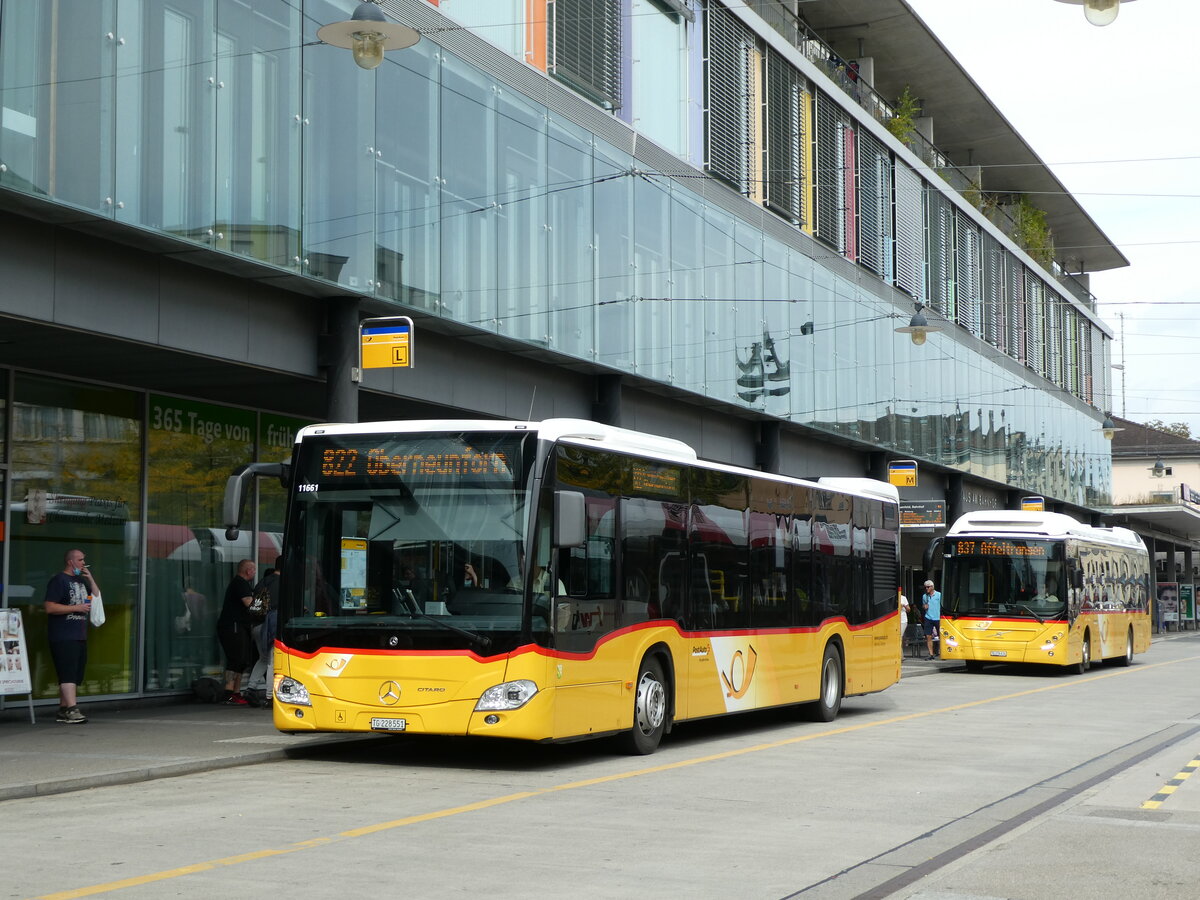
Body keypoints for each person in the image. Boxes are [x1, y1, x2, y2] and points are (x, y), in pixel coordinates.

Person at [43, 549, 99, 724]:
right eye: (80, 560)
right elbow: (50, 607)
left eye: (84, 560)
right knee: (67, 674)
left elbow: (96, 596)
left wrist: (90, 578)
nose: (83, 563)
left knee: (74, 674)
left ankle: (63, 709)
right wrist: (76, 608)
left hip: (79, 634)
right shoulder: (59, 580)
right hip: (63, 634)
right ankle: (73, 710)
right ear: (70, 562)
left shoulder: (81, 580)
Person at [217, 558, 257, 705]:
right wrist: (262, 604)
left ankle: (236, 692)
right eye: (254, 569)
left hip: (239, 626)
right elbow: (249, 603)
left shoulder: (241, 583)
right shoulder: (240, 583)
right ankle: (229, 693)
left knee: (242, 660)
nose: (255, 572)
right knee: (236, 658)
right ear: (248, 571)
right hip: (233, 626)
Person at [245, 556, 281, 703]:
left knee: (263, 658)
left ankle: (251, 687)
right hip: (271, 626)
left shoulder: (264, 581)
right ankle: (270, 696)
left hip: (257, 626)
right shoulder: (283, 583)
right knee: (273, 661)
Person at [921, 579, 941, 660]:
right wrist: (924, 607)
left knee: (941, 636)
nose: (926, 589)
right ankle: (931, 654)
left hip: (938, 617)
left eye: (928, 587)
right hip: (928, 617)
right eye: (925, 587)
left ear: (932, 587)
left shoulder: (939, 595)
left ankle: (941, 652)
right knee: (928, 636)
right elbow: (924, 605)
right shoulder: (925, 596)